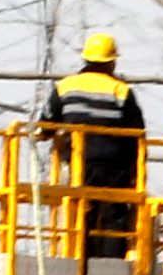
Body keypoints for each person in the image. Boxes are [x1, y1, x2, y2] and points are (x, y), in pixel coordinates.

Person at [41, 30, 148, 259]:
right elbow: (137, 135)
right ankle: (111, 270)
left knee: (81, 213)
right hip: (113, 166)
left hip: (79, 165)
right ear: (111, 62)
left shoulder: (65, 87)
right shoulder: (121, 91)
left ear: (86, 59)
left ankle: (80, 263)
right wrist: (135, 173)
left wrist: (44, 136)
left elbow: (46, 126)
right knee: (113, 216)